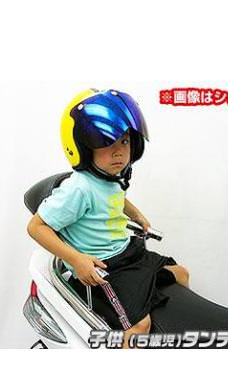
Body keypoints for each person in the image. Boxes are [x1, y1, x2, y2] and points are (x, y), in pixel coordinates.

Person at [27, 88, 189, 348]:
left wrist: (136, 215)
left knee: (181, 274)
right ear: (83, 148)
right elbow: (36, 227)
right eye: (106, 143)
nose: (118, 152)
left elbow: (115, 197)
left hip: (129, 253)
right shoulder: (79, 189)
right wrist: (76, 259)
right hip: (107, 268)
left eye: (124, 141)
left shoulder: (111, 175)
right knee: (140, 326)